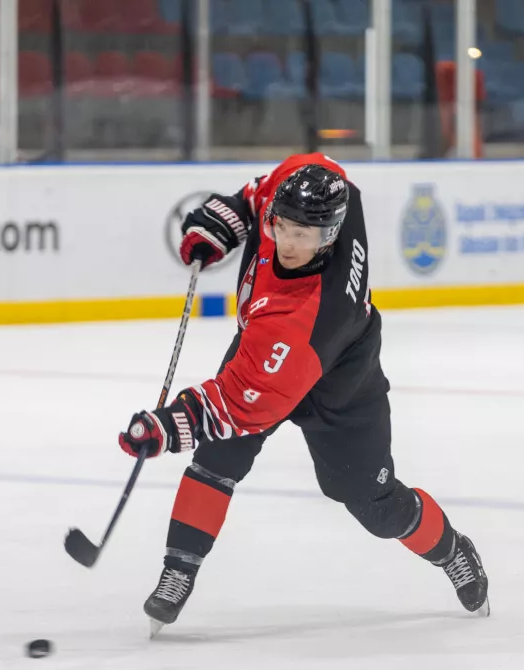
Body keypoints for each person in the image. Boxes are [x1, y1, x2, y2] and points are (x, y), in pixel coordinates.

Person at [117, 153, 490, 634]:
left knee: (371, 502)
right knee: (217, 459)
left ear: (329, 236)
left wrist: (166, 427)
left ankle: (453, 550)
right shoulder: (318, 188)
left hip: (340, 377)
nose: (289, 243)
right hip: (268, 354)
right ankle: (178, 571)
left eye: (303, 235)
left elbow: (235, 404)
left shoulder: (308, 315)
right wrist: (228, 217)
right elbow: (264, 189)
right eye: (283, 228)